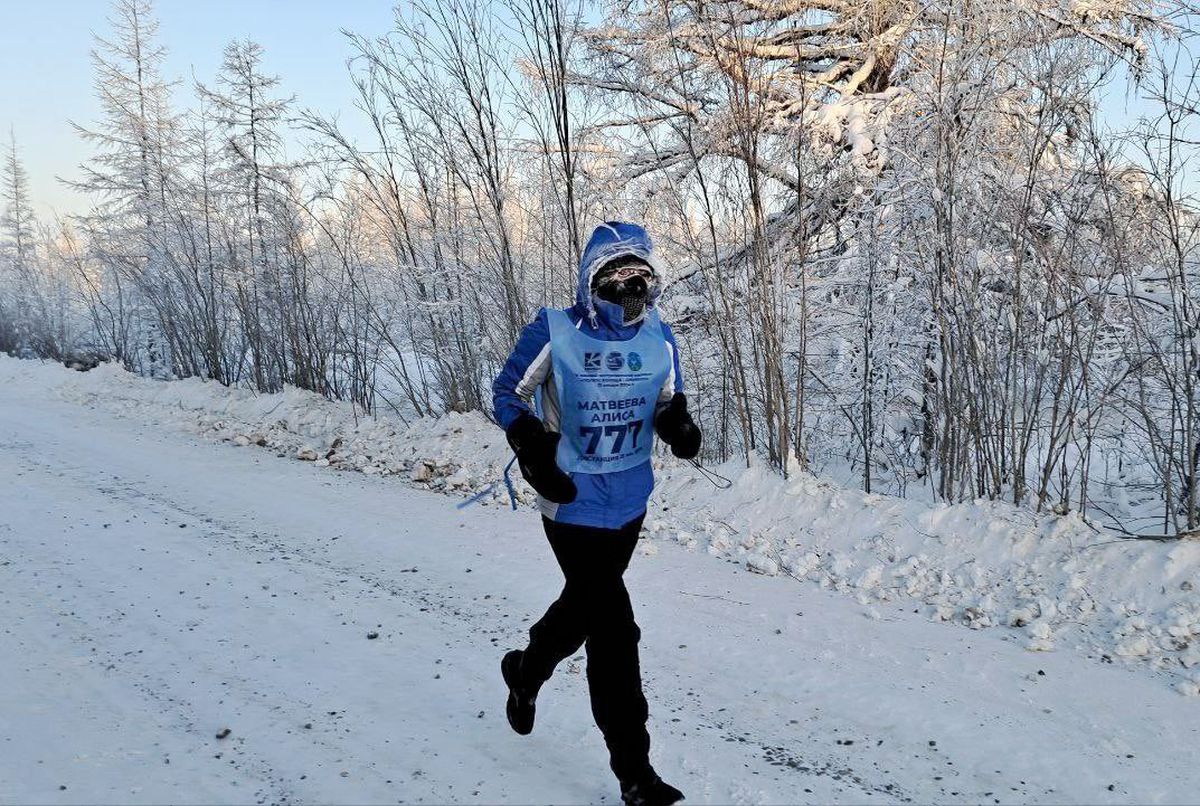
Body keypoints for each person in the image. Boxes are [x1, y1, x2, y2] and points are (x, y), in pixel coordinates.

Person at [492, 222, 701, 806]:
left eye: (642, 279)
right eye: (617, 279)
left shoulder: (658, 337)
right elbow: (506, 392)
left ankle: (526, 669)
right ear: (592, 281)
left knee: (584, 608)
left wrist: (676, 425)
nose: (631, 292)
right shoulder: (554, 330)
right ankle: (636, 776)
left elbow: (665, 399)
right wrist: (531, 445)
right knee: (615, 629)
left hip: (630, 502)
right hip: (571, 502)